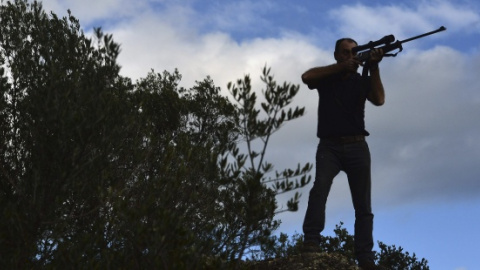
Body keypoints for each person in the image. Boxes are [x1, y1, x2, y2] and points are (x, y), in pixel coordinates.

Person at [300, 37, 385, 270]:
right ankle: (311, 242)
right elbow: (306, 77)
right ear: (337, 55)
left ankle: (365, 258)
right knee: (319, 190)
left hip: (358, 145)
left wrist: (374, 66)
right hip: (330, 146)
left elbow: (379, 99)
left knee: (363, 205)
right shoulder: (327, 78)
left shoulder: (361, 80)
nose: (350, 56)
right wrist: (340, 68)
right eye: (345, 53)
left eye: (353, 52)